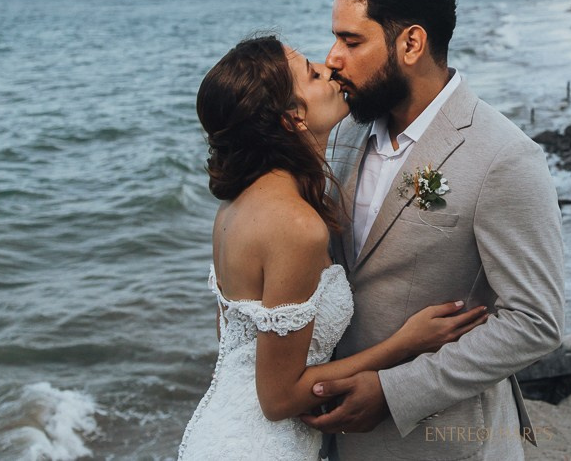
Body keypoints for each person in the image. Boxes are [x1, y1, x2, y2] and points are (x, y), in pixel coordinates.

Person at [300, 0, 565, 460]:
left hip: (442, 441)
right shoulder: (344, 134)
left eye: (350, 40)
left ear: (412, 43)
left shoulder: (504, 157)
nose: (332, 58)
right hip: (334, 439)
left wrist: (397, 392)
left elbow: (536, 321)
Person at [178, 36, 488, 460]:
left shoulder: (235, 209)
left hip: (222, 431)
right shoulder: (295, 226)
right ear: (293, 118)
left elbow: (235, 347)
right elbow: (279, 400)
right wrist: (406, 342)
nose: (328, 68)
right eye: (311, 74)